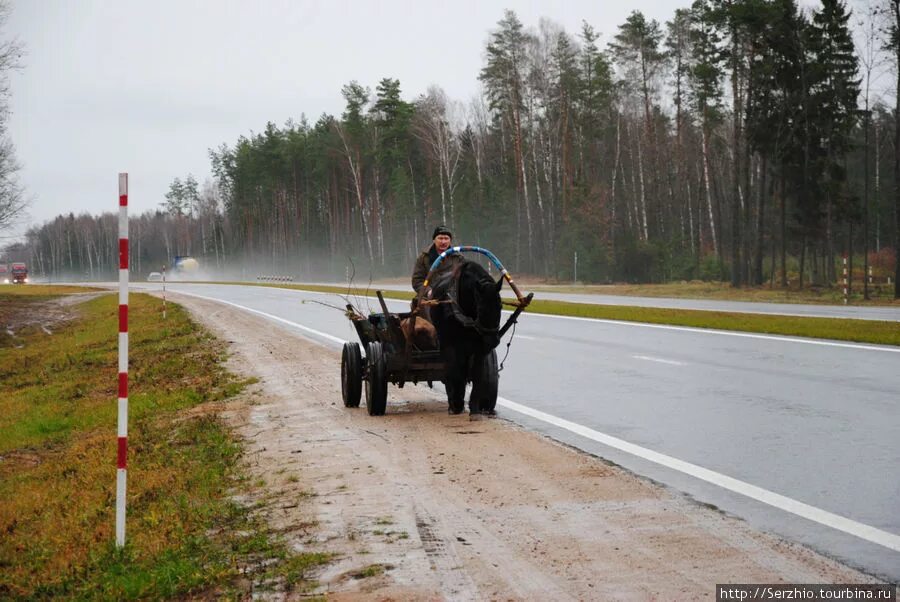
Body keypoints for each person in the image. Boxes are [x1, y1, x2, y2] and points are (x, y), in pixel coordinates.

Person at [411, 225, 463, 296]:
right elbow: (417, 281)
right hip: (431, 298)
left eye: (446, 238)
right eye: (440, 238)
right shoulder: (424, 258)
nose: (443, 241)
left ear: (450, 240)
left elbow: (465, 278)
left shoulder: (458, 258)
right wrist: (428, 292)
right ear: (434, 240)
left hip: (454, 297)